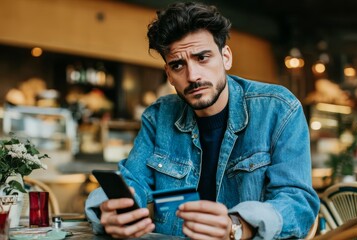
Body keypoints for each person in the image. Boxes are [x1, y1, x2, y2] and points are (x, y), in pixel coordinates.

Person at [85, 2, 320, 239]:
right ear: (169, 75)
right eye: (178, 65)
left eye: (202, 58)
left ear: (225, 57)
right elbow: (132, 183)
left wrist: (236, 225)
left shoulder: (277, 108)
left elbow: (298, 203)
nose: (193, 76)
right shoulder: (158, 116)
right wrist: (111, 210)